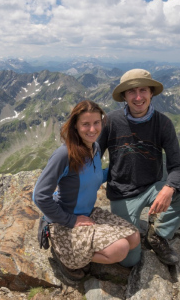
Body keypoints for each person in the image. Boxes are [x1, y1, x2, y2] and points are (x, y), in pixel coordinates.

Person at [97, 68, 180, 267]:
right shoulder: (110, 122)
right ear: (124, 96)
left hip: (152, 188)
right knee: (129, 261)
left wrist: (169, 188)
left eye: (143, 90)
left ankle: (158, 235)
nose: (138, 97)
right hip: (122, 194)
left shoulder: (163, 124)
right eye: (131, 92)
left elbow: (177, 166)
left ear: (151, 93)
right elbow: (92, 159)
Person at [33, 100, 140, 280]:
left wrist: (122, 169)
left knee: (134, 237)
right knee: (120, 249)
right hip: (64, 222)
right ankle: (66, 257)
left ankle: (80, 253)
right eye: (86, 124)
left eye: (96, 123)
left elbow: (94, 176)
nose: (92, 129)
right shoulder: (64, 154)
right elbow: (39, 195)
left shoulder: (95, 148)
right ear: (75, 126)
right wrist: (70, 220)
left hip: (89, 214)